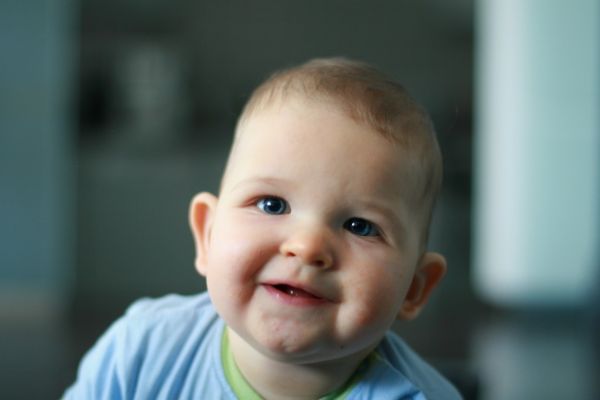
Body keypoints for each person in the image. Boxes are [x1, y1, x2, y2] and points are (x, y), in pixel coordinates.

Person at [64, 57, 462, 399]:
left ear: (415, 288)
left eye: (359, 226)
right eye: (273, 205)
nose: (307, 246)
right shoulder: (141, 352)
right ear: (207, 235)